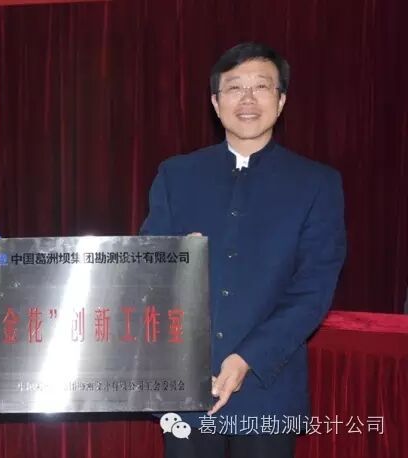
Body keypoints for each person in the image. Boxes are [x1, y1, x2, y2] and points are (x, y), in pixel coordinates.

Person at [140, 42, 346, 458]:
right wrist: (175, 260)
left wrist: (247, 357)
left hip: (269, 384)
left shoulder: (316, 184)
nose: (248, 99)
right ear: (216, 103)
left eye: (261, 87)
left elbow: (313, 290)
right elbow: (148, 270)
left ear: (281, 101)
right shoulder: (176, 175)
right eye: (234, 88)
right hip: (187, 384)